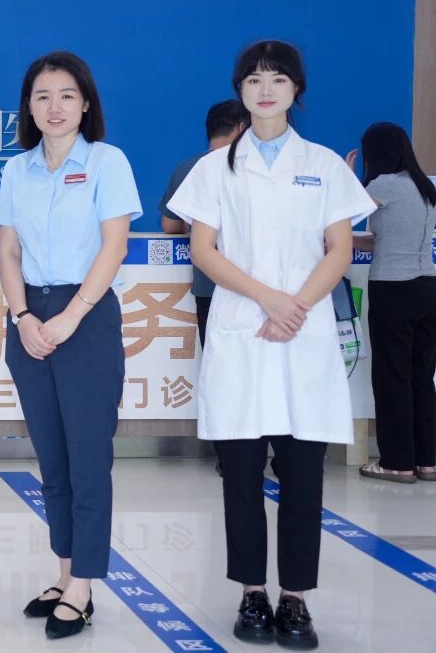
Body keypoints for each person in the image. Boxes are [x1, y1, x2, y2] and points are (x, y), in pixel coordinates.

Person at [169, 40, 374, 650]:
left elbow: (340, 247)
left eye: (278, 79)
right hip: (243, 328)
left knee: (303, 475)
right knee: (239, 474)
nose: (265, 89)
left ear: (295, 90)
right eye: (254, 79)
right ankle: (252, 593)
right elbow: (203, 249)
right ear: (240, 89)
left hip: (302, 334)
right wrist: (268, 298)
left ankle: (296, 599)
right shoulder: (215, 169)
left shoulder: (325, 165)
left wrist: (296, 305)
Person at [0, 51, 140, 641]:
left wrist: (72, 316)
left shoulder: (107, 161)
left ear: (85, 104)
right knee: (52, 460)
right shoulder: (16, 170)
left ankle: (83, 585)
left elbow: (114, 246)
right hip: (30, 318)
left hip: (86, 316)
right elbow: (8, 252)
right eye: (42, 96)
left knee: (88, 458)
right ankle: (63, 572)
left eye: (66, 95)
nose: (54, 107)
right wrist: (24, 316)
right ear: (29, 107)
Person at [348, 122, 436, 484]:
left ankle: (397, 462)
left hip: (394, 290)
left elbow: (343, 214)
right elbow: (387, 239)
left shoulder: (384, 185)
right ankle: (427, 460)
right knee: (421, 376)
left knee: (392, 376)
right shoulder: (424, 186)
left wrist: (347, 175)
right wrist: (352, 242)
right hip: (428, 287)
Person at [160, 99, 248, 344]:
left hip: (208, 285)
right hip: (251, 286)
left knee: (215, 361)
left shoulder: (187, 168)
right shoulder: (250, 167)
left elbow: (169, 225)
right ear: (241, 128)